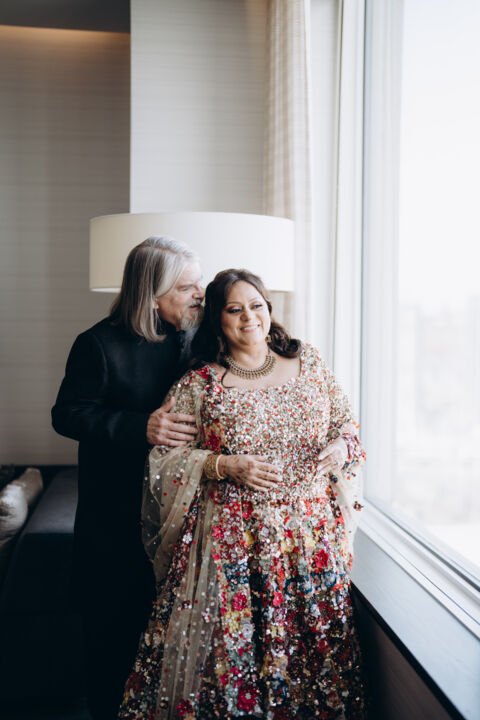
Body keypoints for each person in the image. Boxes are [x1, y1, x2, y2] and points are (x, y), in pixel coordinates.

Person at [118, 268, 367, 720]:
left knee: (313, 664)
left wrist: (342, 445)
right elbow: (165, 460)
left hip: (308, 543)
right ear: (217, 318)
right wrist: (224, 465)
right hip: (232, 546)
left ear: (269, 310)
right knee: (230, 669)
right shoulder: (201, 385)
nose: (249, 317)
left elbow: (347, 424)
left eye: (256, 306)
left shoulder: (310, 363)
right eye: (235, 309)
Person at [51, 236, 205, 720]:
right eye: (186, 287)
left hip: (180, 523)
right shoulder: (98, 344)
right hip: (115, 525)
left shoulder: (196, 338)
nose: (199, 294)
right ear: (152, 294)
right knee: (112, 654)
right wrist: (141, 427)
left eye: (199, 283)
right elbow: (67, 415)